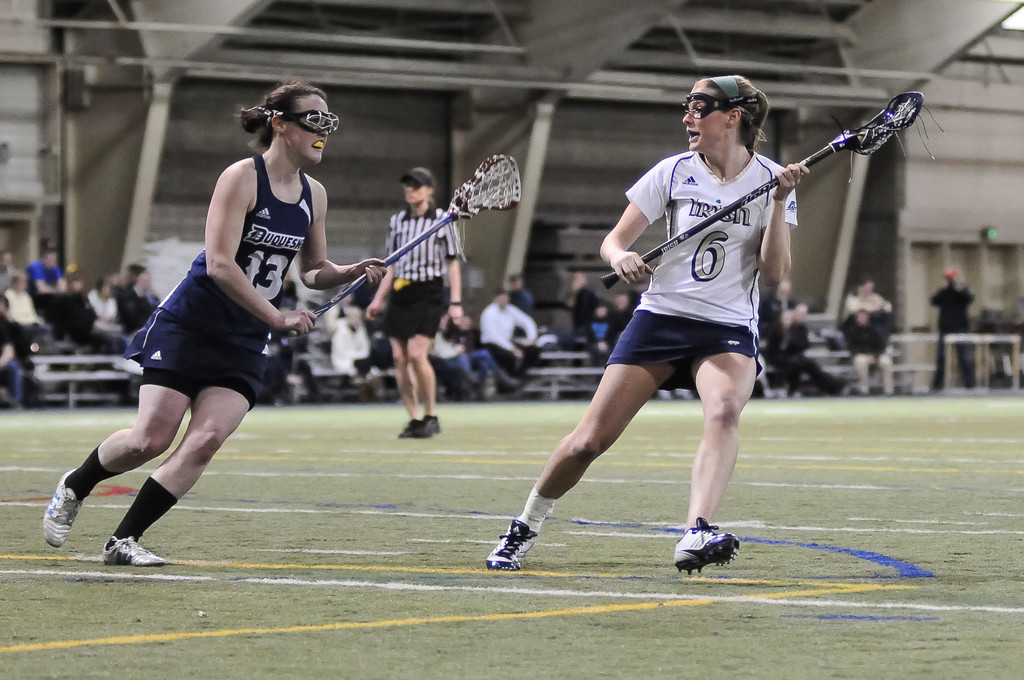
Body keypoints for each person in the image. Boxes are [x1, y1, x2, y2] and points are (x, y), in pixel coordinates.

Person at [41, 80, 386, 566]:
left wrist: (349, 271)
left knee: (203, 441)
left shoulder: (315, 195)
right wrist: (277, 316)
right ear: (280, 124)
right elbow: (222, 264)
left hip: (244, 338)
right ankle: (76, 483)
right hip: (193, 323)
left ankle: (123, 541)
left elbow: (311, 270)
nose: (323, 131)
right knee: (150, 440)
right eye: (314, 119)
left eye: (329, 122)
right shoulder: (241, 178)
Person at [485, 74, 808, 574]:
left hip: (725, 326)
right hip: (661, 318)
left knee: (723, 412)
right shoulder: (672, 173)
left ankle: (696, 530)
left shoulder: (772, 181)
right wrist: (622, 259)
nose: (688, 117)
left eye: (699, 107)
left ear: (733, 116)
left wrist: (782, 200)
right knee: (589, 440)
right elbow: (613, 241)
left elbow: (772, 274)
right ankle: (524, 525)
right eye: (687, 107)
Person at [367, 166, 463, 439]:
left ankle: (431, 414)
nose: (411, 190)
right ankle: (413, 418)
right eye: (408, 185)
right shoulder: (398, 221)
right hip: (401, 292)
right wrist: (378, 299)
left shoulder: (443, 220)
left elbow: (452, 264)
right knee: (399, 358)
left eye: (417, 185)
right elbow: (392, 264)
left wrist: (455, 302)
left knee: (418, 354)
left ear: (430, 190)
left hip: (429, 292)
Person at [763, 303, 843, 396]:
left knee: (807, 365)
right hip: (777, 357)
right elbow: (773, 348)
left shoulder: (797, 329)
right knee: (799, 364)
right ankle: (789, 388)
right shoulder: (775, 329)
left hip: (794, 357)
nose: (787, 320)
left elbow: (803, 345)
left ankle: (832, 386)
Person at [479, 288, 541, 377]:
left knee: (532, 350)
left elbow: (527, 322)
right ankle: (510, 378)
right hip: (493, 344)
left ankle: (522, 375)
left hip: (508, 342)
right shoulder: (489, 313)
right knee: (509, 357)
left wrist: (530, 338)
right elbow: (495, 337)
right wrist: (512, 349)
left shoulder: (511, 310)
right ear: (495, 298)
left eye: (506, 297)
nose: (504, 300)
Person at [931, 268, 975, 390]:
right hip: (945, 329)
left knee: (964, 358)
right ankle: (937, 386)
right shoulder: (943, 292)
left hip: (960, 328)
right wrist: (943, 289)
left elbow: (969, 299)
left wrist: (957, 288)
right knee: (941, 357)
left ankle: (970, 385)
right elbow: (934, 301)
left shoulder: (962, 289)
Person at [844, 309, 894, 395]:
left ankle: (889, 390)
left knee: (886, 361)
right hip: (860, 355)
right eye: (859, 316)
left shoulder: (875, 330)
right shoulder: (852, 331)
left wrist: (874, 355)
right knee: (861, 361)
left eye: (863, 316)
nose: (861, 318)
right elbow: (852, 348)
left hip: (876, 355)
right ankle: (864, 389)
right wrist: (866, 355)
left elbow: (881, 345)